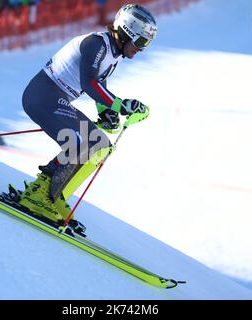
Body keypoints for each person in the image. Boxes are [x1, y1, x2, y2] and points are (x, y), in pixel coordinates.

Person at [18, 4, 157, 232]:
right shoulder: (97, 44)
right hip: (42, 97)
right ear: (126, 32)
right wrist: (120, 105)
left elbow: (99, 84)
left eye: (147, 44)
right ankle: (38, 195)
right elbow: (89, 83)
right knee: (81, 143)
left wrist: (106, 112)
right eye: (141, 42)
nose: (142, 49)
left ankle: (53, 193)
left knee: (100, 145)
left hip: (56, 99)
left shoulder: (114, 53)